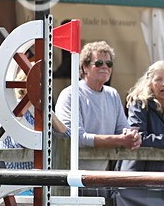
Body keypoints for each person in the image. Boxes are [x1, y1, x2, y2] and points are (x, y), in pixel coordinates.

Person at [55, 41, 141, 171]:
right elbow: (74, 137)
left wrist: (132, 136)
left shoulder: (112, 94)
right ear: (84, 67)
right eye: (99, 63)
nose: (105, 67)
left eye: (109, 63)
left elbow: (123, 128)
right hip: (71, 177)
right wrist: (119, 140)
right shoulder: (70, 94)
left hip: (102, 177)